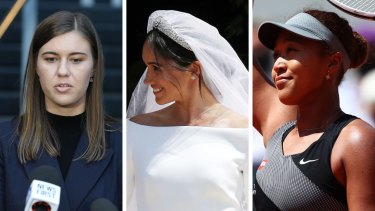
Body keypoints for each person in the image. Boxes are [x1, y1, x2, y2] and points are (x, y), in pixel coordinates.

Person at [253, 9, 375, 211]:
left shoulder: (355, 140)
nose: (278, 65)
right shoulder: (279, 132)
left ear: (332, 63)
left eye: (291, 50)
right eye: (276, 55)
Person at [127, 10, 249, 211]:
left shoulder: (243, 132)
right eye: (146, 67)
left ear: (194, 69)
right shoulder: (135, 130)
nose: (147, 80)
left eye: (156, 67)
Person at [0, 11, 122, 210]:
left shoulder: (123, 143)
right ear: (36, 68)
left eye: (76, 60)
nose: (63, 71)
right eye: (51, 59)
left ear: (93, 69)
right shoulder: (4, 142)